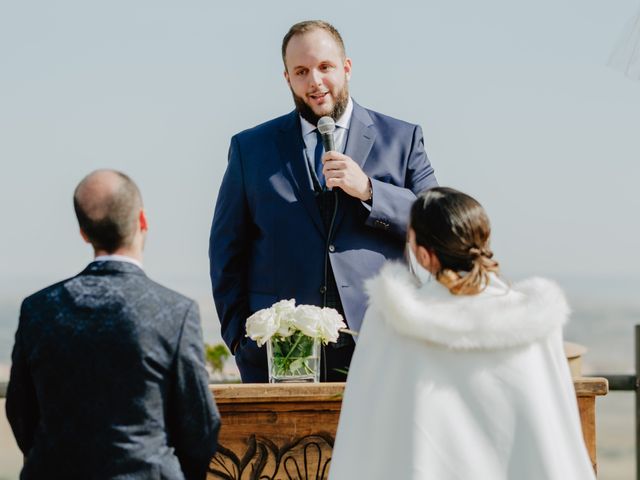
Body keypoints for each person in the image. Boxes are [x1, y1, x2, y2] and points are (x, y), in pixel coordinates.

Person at [209, 20, 438, 383]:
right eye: (301, 71)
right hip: (283, 355)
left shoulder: (402, 139)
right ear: (287, 78)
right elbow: (226, 251)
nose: (315, 82)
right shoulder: (250, 149)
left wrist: (369, 190)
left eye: (325, 67)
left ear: (346, 68)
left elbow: (438, 226)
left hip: (381, 348)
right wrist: (239, 340)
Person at [329, 187, 596, 479]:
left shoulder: (391, 321)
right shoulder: (533, 321)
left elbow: (364, 433)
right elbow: (556, 437)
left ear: (422, 254)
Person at [6, 170, 221, 480]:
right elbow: (200, 425)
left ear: (83, 232)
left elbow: (20, 412)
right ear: (142, 221)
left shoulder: (38, 309)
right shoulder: (176, 311)